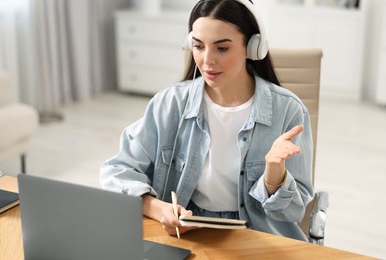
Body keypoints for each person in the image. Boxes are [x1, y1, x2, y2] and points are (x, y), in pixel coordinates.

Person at [100, 0, 313, 241]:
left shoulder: (288, 110)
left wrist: (275, 176)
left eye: (222, 48)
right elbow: (117, 170)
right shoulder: (170, 103)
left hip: (259, 235)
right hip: (188, 231)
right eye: (199, 46)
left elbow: (295, 210)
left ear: (253, 47)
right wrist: (159, 209)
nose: (207, 60)